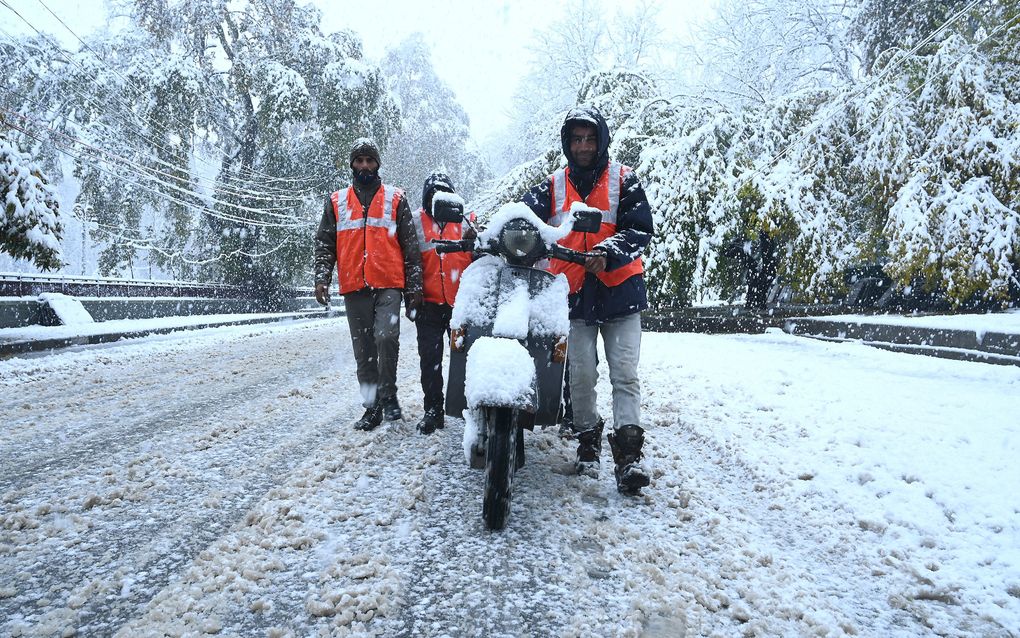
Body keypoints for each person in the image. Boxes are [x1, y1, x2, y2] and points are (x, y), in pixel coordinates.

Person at [520, 106, 655, 495]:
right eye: (576, 139)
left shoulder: (624, 181)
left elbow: (639, 229)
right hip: (574, 295)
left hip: (620, 292)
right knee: (580, 376)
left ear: (602, 141)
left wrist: (608, 252)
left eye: (589, 139)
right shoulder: (551, 186)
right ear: (567, 143)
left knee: (624, 372)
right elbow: (522, 220)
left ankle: (629, 456)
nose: (582, 146)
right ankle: (588, 441)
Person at [314, 138, 423, 431]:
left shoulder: (395, 198)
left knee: (386, 338)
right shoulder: (336, 201)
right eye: (359, 161)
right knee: (363, 351)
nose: (364, 166)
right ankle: (371, 407)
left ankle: (388, 397)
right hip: (354, 286)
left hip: (389, 284)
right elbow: (325, 243)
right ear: (352, 164)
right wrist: (322, 278)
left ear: (377, 164)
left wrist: (414, 287)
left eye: (370, 161)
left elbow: (410, 246)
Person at [410, 172, 476, 435]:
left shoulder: (467, 220)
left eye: (444, 192)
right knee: (430, 360)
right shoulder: (414, 221)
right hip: (428, 304)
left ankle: (473, 408)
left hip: (461, 305)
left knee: (467, 359)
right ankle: (433, 410)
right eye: (433, 193)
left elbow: (478, 258)